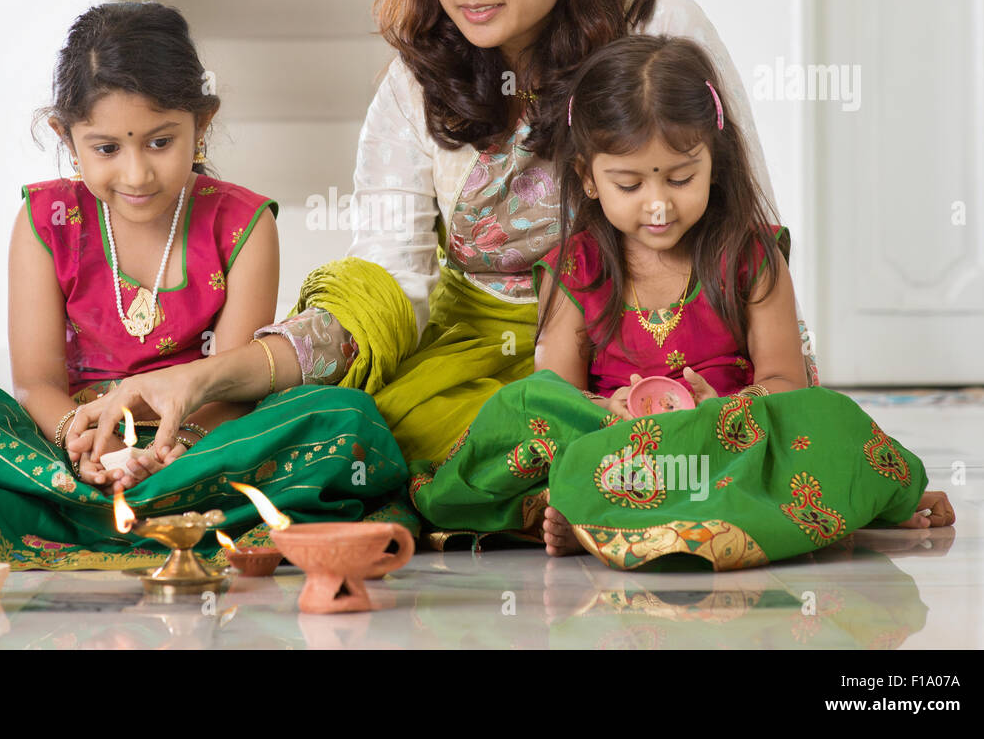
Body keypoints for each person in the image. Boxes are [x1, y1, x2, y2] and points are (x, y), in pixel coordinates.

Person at [80, 0, 814, 542]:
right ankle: (589, 492)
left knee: (698, 434)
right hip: (482, 375)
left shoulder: (660, 31)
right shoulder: (418, 82)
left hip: (655, 360)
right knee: (357, 434)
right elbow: (388, 289)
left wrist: (783, 407)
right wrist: (208, 377)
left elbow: (744, 221)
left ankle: (588, 487)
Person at [0, 2, 409, 571]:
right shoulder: (45, 222)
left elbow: (230, 384)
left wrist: (167, 450)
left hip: (201, 445)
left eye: (160, 140)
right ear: (65, 137)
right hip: (72, 445)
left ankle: (76, 517)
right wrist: (82, 440)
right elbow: (37, 383)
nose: (136, 173)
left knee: (341, 416)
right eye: (106, 148)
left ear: (202, 125)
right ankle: (145, 512)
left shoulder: (244, 226)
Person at [409, 35, 954, 569]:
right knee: (522, 409)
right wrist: (610, 412)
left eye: (681, 177)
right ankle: (621, 510)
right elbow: (558, 393)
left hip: (726, 449)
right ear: (588, 178)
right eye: (629, 184)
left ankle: (598, 518)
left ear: (713, 164)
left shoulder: (750, 255)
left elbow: (788, 383)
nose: (659, 205)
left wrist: (716, 405)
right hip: (617, 450)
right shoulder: (573, 268)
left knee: (829, 417)